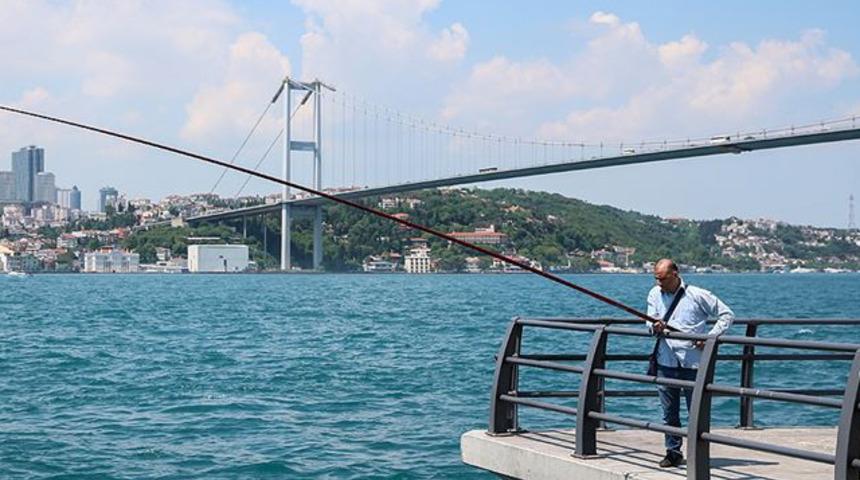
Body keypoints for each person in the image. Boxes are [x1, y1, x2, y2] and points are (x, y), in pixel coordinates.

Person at [647, 258, 734, 468]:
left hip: (692, 364)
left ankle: (697, 451)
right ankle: (673, 451)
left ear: (675, 274)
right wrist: (654, 327)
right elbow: (649, 322)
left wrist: (709, 337)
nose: (659, 284)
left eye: (663, 279)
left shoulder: (697, 294)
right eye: (656, 279)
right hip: (666, 361)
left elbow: (726, 315)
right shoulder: (654, 294)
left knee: (695, 412)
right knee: (669, 413)